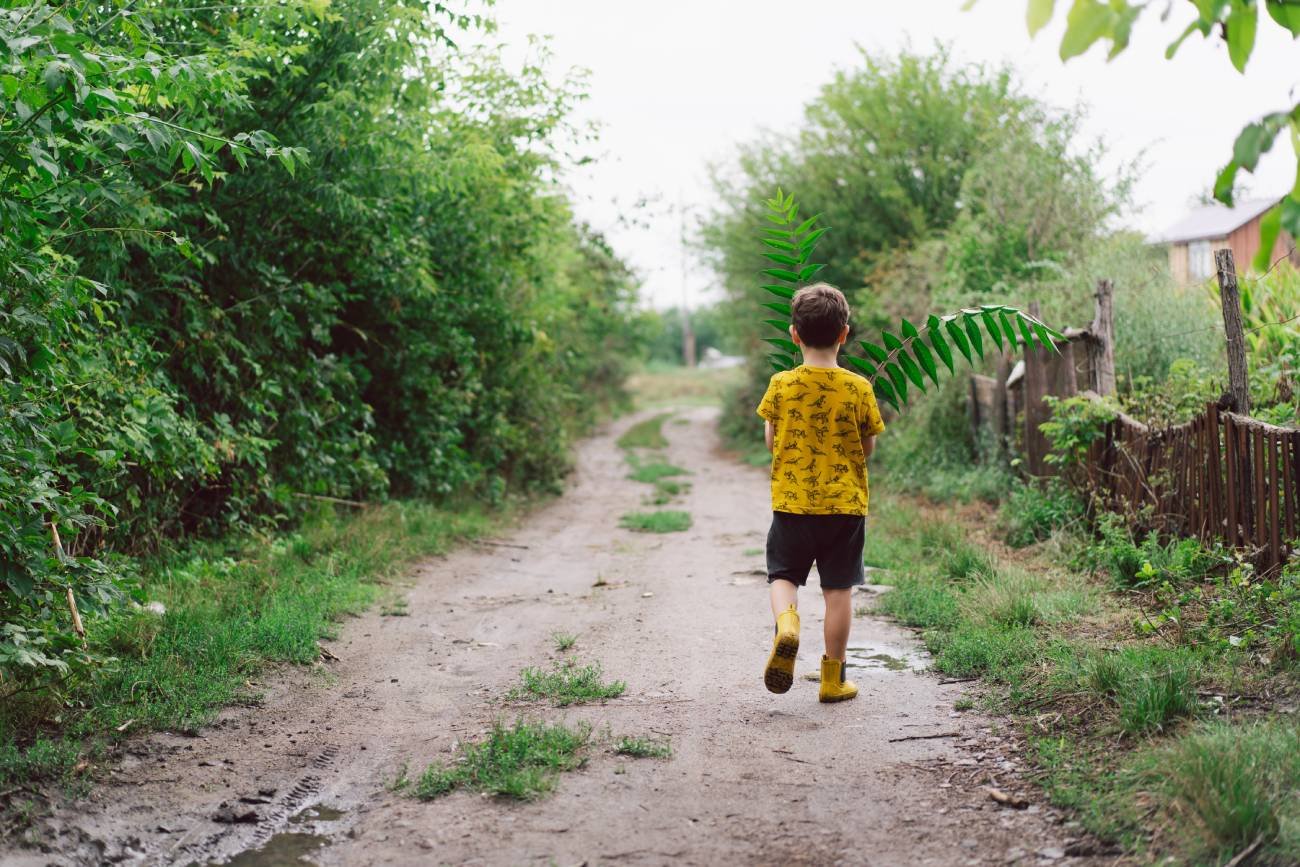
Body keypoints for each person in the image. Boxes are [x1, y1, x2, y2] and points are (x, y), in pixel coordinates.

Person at [756, 283, 885, 702]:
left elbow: (770, 441)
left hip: (793, 503)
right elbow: (867, 447)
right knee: (838, 591)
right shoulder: (859, 388)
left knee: (783, 576)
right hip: (844, 507)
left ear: (795, 334)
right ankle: (833, 679)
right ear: (844, 333)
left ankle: (788, 624)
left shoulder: (781, 384)